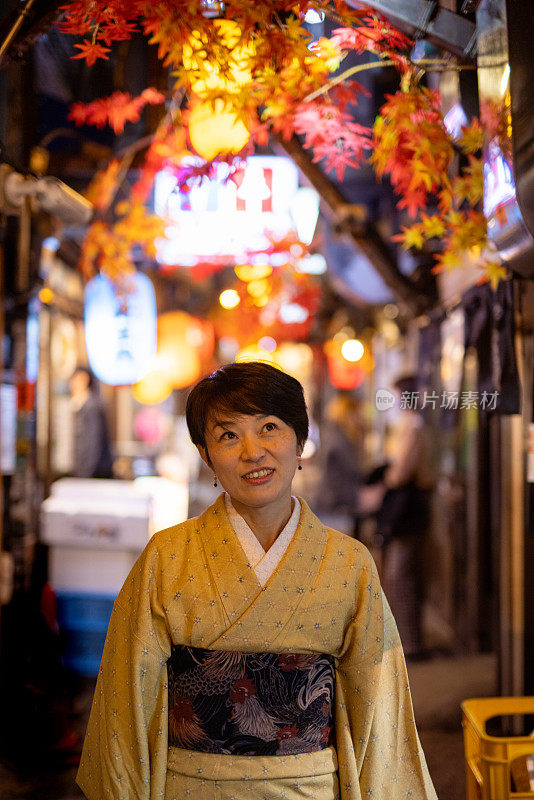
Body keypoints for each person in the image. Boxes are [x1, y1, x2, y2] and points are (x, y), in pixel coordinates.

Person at [76, 361, 437, 800]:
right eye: (228, 435)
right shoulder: (165, 558)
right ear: (205, 453)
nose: (252, 452)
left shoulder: (349, 564)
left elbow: (379, 712)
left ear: (300, 440)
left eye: (269, 427)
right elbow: (125, 703)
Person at [360, 373, 435, 659]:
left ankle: (410, 644)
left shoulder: (414, 426)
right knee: (402, 574)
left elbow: (400, 472)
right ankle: (408, 640)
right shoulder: (412, 425)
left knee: (401, 575)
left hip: (409, 508)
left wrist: (386, 480)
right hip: (411, 506)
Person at [313, 393, 363, 536]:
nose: (360, 419)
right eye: (357, 414)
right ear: (347, 414)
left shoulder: (337, 437)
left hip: (333, 508)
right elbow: (338, 481)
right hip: (334, 511)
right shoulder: (339, 443)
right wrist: (358, 498)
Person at [69, 366, 113, 479]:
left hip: (90, 472)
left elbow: (92, 442)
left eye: (77, 379)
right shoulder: (78, 404)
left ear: (85, 380)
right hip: (83, 470)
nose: (73, 383)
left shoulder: (91, 406)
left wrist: (84, 472)